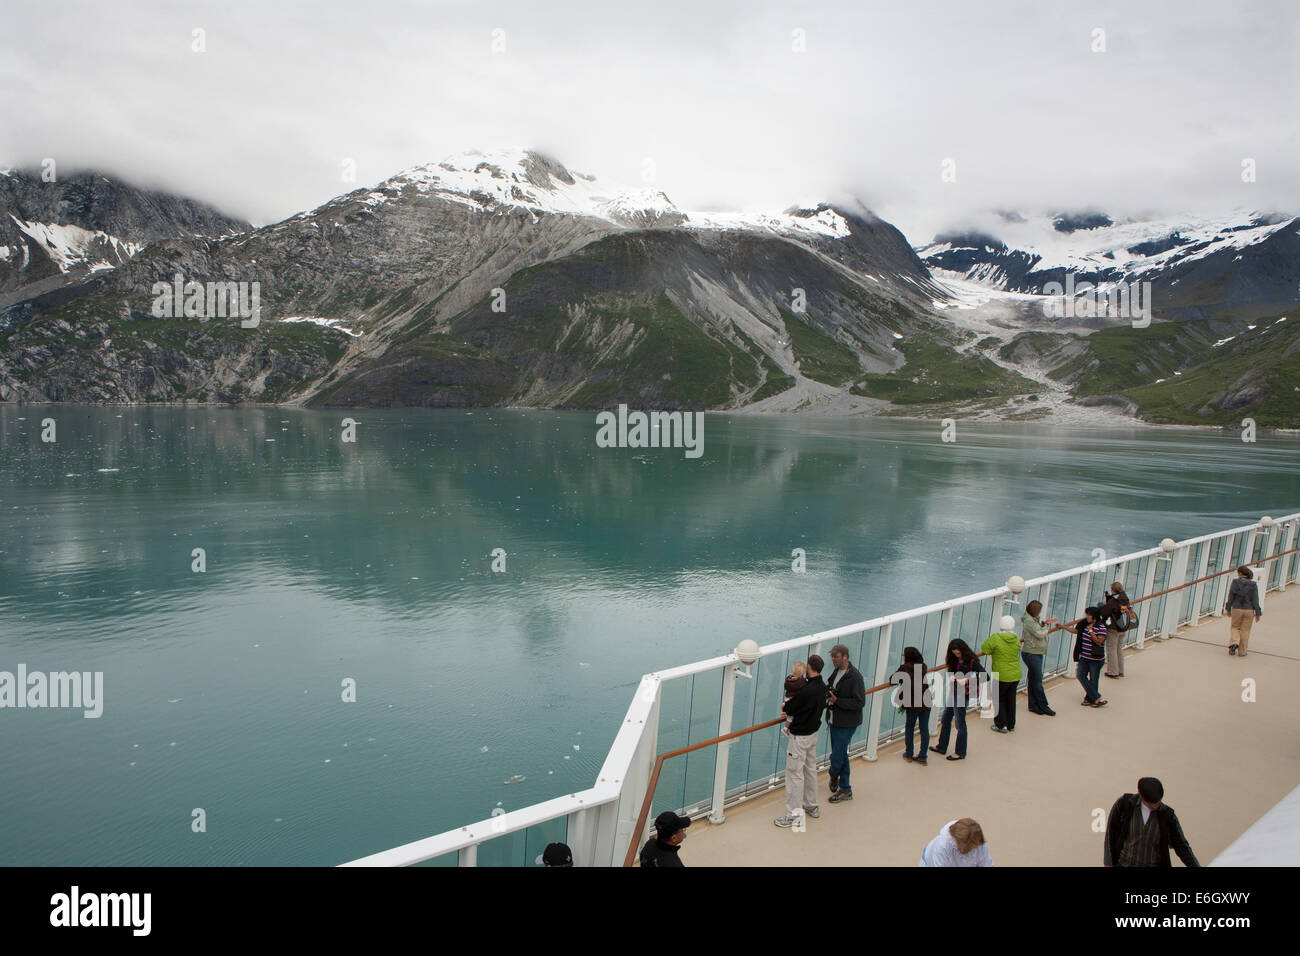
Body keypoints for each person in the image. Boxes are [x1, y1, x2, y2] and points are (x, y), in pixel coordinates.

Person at [774, 654, 827, 827]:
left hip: (800, 737)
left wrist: (786, 708)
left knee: (795, 774)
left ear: (809, 668)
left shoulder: (805, 690)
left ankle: (794, 815)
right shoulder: (822, 687)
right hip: (813, 734)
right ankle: (812, 805)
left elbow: (790, 707)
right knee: (810, 770)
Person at [1104, 777, 1200, 867]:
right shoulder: (1125, 804)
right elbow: (1111, 833)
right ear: (1141, 795)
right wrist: (1108, 863)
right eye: (1151, 804)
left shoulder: (1167, 815)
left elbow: (1181, 845)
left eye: (1158, 803)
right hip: (1124, 864)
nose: (1155, 806)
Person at [930, 639, 985, 761]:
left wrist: (966, 680)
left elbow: (985, 676)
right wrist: (952, 677)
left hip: (962, 694)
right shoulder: (953, 660)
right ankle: (942, 746)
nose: (957, 655)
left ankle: (960, 752)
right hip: (954, 692)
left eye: (958, 653)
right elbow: (951, 670)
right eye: (955, 653)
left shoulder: (972, 661)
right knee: (945, 719)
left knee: (960, 723)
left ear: (963, 651)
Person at [825, 643, 866, 802]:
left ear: (845, 657)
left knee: (838, 755)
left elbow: (860, 702)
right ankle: (845, 788)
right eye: (833, 657)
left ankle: (834, 775)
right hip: (836, 720)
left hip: (847, 722)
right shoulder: (838, 671)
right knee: (841, 754)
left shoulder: (855, 677)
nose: (834, 660)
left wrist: (837, 700)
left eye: (836, 657)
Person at [891, 646, 931, 765]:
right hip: (926, 701)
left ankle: (909, 754)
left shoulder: (905, 668)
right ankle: (923, 756)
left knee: (910, 728)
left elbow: (893, 679)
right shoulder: (923, 666)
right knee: (924, 729)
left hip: (913, 703)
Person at [982, 616, 1022, 732]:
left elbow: (985, 649)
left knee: (997, 698)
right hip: (1015, 673)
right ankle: (1011, 724)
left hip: (1000, 673)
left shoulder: (996, 638)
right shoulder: (1015, 638)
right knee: (1010, 698)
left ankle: (1001, 725)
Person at [1021, 600, 1058, 716]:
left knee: (1033, 680)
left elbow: (1037, 629)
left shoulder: (1031, 620)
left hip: (1035, 652)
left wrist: (1044, 624)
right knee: (1037, 681)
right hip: (1032, 653)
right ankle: (1043, 705)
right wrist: (1047, 627)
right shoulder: (1029, 621)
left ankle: (1033, 705)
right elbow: (1039, 634)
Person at [917, 818, 994, 866]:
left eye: (969, 848)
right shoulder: (941, 846)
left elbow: (986, 864)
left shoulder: (979, 844)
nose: (963, 851)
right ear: (954, 838)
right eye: (960, 846)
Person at [1224, 566, 1262, 658]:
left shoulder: (1235, 582)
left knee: (1235, 627)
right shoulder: (1253, 584)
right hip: (1249, 610)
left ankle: (1234, 643)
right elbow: (1255, 600)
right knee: (1245, 630)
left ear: (1240, 573)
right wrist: (1258, 613)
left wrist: (1228, 609)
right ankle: (1242, 652)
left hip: (1237, 609)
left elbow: (1231, 597)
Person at [1073, 607, 1107, 707]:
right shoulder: (1085, 625)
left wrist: (1091, 631)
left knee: (1093, 679)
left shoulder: (1101, 628)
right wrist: (1063, 627)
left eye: (1089, 615)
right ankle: (1096, 697)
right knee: (1080, 675)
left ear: (1094, 616)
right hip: (1084, 657)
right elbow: (1076, 631)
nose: (1087, 616)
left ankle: (1090, 699)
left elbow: (1099, 641)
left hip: (1096, 660)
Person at [1101, 581, 1132, 678]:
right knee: (1119, 649)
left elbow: (1105, 612)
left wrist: (1104, 604)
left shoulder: (1113, 601)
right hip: (1123, 626)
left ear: (1113, 590)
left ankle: (1113, 672)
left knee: (1111, 649)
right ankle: (1120, 671)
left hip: (1113, 628)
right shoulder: (1125, 598)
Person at [781, 660, 807, 738]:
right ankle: (785, 728)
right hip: (792, 700)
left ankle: (782, 711)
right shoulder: (801, 682)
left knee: (787, 712)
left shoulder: (789, 679)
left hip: (787, 699)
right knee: (791, 716)